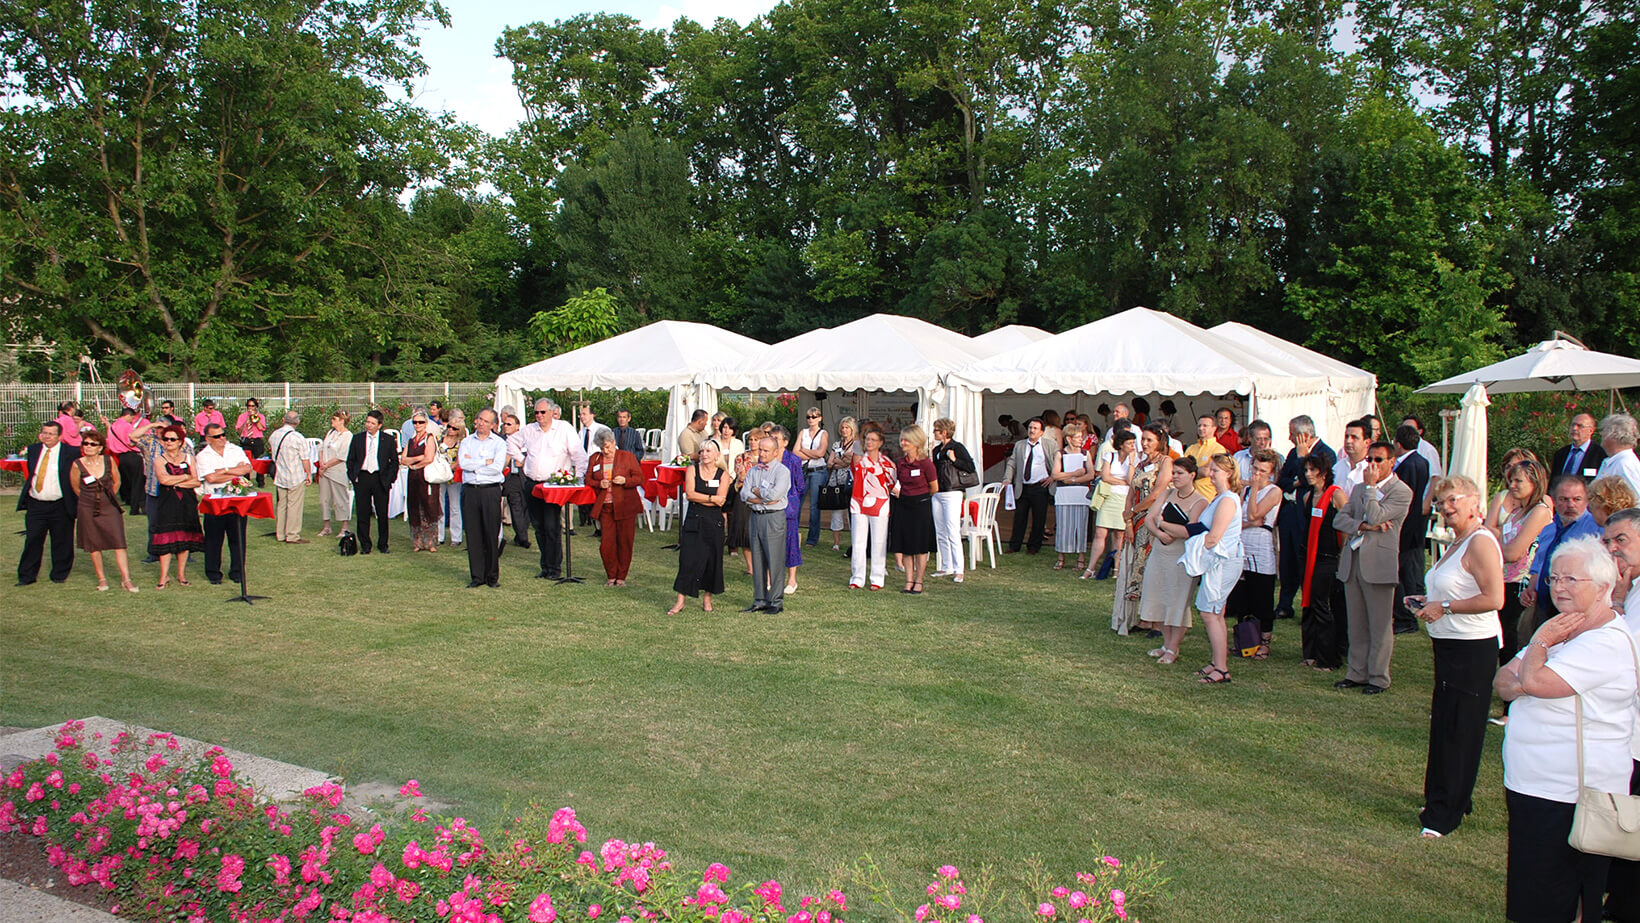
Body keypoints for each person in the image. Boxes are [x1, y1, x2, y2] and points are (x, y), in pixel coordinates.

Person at [1494, 537, 1637, 922]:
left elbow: (1534, 683)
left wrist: (1537, 651)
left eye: (1572, 579)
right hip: (1537, 787)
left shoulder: (1602, 641)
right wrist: (1532, 672)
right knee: (1533, 892)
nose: (1558, 587)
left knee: (1554, 898)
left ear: (1604, 587)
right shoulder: (1564, 630)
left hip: (1570, 795)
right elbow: (1503, 682)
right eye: (1555, 577)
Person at [1409, 475, 1505, 838]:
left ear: (1473, 502)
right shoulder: (1458, 541)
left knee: (1460, 728)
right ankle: (1446, 797)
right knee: (1446, 725)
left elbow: (1495, 599)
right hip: (1449, 644)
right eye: (1441, 502)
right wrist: (1427, 604)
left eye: (1452, 501)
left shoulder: (1480, 542)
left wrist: (1445, 607)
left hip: (1472, 648)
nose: (1446, 509)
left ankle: (1444, 813)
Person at [1333, 441, 1413, 694]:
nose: (1373, 465)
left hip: (1378, 564)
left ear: (1391, 462)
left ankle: (1378, 677)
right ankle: (1356, 672)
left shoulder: (1400, 491)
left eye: (1379, 460)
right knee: (1356, 622)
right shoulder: (1357, 489)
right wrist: (1364, 526)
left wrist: (1370, 489)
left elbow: (1378, 515)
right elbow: (1340, 519)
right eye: (1370, 460)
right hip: (1354, 560)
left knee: (1379, 624)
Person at [1488, 460, 1553, 677]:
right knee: (1503, 639)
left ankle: (1511, 698)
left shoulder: (1540, 511)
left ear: (1535, 482)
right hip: (1504, 579)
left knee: (1513, 639)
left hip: (1520, 584)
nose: (1512, 485)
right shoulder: (1519, 511)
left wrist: (1497, 540)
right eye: (1511, 480)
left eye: (1519, 481)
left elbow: (1513, 553)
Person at [509, 398, 587, 579]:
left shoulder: (564, 428)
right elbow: (511, 441)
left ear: (552, 412)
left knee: (552, 526)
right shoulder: (529, 430)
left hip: (553, 485)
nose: (539, 416)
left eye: (542, 412)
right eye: (536, 412)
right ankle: (545, 566)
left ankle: (555, 568)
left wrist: (579, 476)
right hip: (532, 482)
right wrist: (519, 458)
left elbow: (578, 453)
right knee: (538, 526)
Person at [1142, 456, 1207, 664]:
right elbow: (1149, 519)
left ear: (1192, 475)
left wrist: (1164, 525)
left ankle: (1173, 647)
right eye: (1174, 473)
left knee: (1177, 601)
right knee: (1158, 597)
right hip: (1160, 552)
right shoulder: (1167, 493)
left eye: (1180, 473)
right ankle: (1166, 643)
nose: (1175, 477)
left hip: (1181, 557)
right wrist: (1160, 533)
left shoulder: (1200, 501)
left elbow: (1189, 530)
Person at [1187, 455, 1245, 684]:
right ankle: (1216, 662)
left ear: (1228, 473)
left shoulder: (1228, 500)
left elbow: (1214, 537)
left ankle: (1221, 668)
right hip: (1216, 561)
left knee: (1210, 612)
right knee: (1214, 612)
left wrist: (1194, 545)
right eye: (1210, 470)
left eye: (1216, 471)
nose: (1211, 474)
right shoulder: (1219, 498)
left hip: (1224, 561)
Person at [1114, 423, 1175, 636]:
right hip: (1137, 519)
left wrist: (1132, 512)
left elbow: (1157, 493)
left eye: (1149, 440)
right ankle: (1142, 618)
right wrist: (1128, 520)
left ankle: (1157, 621)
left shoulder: (1166, 462)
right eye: (1144, 439)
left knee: (1152, 569)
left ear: (1160, 441)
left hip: (1154, 520)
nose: (1145, 443)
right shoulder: (1141, 463)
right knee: (1136, 567)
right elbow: (1131, 491)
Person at [1522, 475, 1602, 633]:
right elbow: (1539, 563)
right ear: (1554, 501)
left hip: (1574, 608)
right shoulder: (1548, 529)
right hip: (1544, 605)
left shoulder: (1595, 529)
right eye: (1564, 499)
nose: (1570, 505)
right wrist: (1531, 587)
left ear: (1586, 500)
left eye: (1577, 499)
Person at [1276, 415, 1337, 620]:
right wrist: (1294, 482)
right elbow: (1282, 479)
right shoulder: (1293, 452)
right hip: (1289, 512)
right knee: (1287, 559)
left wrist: (1303, 462)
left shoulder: (1326, 453)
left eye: (1293, 434)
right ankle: (1285, 603)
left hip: (1308, 513)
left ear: (1303, 435)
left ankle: (1308, 605)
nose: (1289, 438)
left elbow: (1314, 481)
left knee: (1305, 558)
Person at [1226, 449, 1283, 659]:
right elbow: (1238, 519)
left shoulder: (1274, 491)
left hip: (1261, 546)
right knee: (1243, 596)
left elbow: (1254, 513)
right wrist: (1249, 522)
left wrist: (1256, 491)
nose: (1257, 474)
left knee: (1262, 597)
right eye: (1255, 469)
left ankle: (1265, 643)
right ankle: (1244, 639)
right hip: (1243, 544)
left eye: (1263, 471)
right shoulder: (1245, 490)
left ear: (1271, 472)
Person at [68, 430, 137, 593]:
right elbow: (75, 487)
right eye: (85, 443)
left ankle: (126, 579)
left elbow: (117, 480)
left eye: (92, 444)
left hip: (109, 505)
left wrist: (109, 496)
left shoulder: (109, 460)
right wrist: (89, 499)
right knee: (94, 543)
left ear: (100, 447)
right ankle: (102, 579)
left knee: (119, 542)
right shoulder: (77, 464)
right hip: (87, 506)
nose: (88, 447)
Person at [1298, 454, 1349, 671]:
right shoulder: (1308, 497)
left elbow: (1346, 527)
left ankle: (1330, 657)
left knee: (1323, 605)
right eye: (1306, 470)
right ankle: (1310, 652)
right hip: (1309, 555)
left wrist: (1343, 557)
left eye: (1313, 470)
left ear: (1323, 472)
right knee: (1308, 603)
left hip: (1328, 557)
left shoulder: (1336, 495)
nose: (1308, 474)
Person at [669, 440, 731, 613]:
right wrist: (711, 499)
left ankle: (707, 599)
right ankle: (680, 600)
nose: (704, 454)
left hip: (714, 523)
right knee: (687, 560)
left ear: (717, 455)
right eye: (702, 451)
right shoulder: (692, 470)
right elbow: (690, 494)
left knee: (712, 561)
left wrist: (704, 498)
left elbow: (722, 500)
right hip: (694, 521)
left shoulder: (723, 475)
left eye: (709, 451)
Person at [195, 423, 253, 585]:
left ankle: (237, 571)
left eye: (223, 434)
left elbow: (247, 469)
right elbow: (211, 478)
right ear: (208, 439)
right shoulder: (203, 456)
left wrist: (223, 471)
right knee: (214, 539)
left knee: (238, 538)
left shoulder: (235, 449)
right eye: (217, 436)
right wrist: (233, 471)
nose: (222, 439)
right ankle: (213, 572)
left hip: (237, 499)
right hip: (215, 501)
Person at [458, 409, 508, 589]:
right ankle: (477, 576)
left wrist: (476, 465)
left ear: (493, 424)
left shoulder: (499, 443)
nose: (481, 423)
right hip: (471, 491)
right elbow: (463, 464)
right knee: (473, 534)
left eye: (485, 421)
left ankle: (492, 576)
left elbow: (496, 468)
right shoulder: (466, 441)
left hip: (490, 491)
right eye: (479, 419)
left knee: (490, 533)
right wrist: (484, 462)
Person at [1392, 423, 1433, 635]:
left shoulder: (1406, 467)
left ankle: (1405, 617)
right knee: (1410, 573)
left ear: (1398, 444)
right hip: (1416, 524)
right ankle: (1407, 615)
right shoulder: (1423, 462)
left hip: (1407, 526)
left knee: (1403, 574)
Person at [741, 436, 790, 613]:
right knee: (757, 558)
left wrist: (757, 492)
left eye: (766, 450)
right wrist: (762, 496)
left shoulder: (782, 471)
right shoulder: (753, 471)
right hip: (755, 516)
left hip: (773, 517)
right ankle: (759, 599)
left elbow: (775, 495)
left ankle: (775, 601)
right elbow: (743, 494)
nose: (761, 453)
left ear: (776, 452)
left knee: (774, 560)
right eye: (760, 449)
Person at [586, 431, 642, 586]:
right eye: (602, 448)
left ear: (613, 442)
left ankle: (621, 577)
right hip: (605, 507)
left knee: (625, 541)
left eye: (608, 447)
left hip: (625, 505)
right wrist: (599, 484)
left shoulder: (627, 456)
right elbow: (588, 479)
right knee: (607, 543)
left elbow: (639, 478)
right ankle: (611, 574)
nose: (606, 451)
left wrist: (625, 480)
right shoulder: (595, 459)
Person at [890, 424, 939, 594]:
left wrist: (921, 496)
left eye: (907, 440)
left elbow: (934, 487)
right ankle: (909, 580)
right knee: (906, 545)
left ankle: (919, 580)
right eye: (902, 439)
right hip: (903, 504)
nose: (903, 443)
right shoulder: (900, 463)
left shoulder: (926, 464)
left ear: (916, 442)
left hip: (921, 506)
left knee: (919, 545)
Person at [847, 427, 896, 590]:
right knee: (858, 541)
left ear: (880, 443)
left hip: (879, 503)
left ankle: (877, 578)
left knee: (878, 541)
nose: (869, 442)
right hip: (858, 502)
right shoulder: (859, 460)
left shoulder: (886, 463)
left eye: (873, 440)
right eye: (867, 439)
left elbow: (891, 482)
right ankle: (857, 577)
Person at [1084, 426, 1136, 579]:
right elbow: (1105, 476)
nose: (1133, 446)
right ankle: (1091, 567)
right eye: (1130, 443)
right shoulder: (1109, 455)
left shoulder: (1134, 459)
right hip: (1108, 496)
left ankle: (1116, 568)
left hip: (1124, 499)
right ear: (1121, 444)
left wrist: (1131, 463)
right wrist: (1122, 482)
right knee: (1100, 532)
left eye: (1134, 443)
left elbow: (1131, 481)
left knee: (1119, 534)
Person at [346, 409, 400, 554]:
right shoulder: (357, 438)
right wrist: (354, 477)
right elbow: (350, 460)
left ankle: (383, 544)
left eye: (372, 423)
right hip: (362, 477)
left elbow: (394, 462)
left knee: (382, 514)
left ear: (379, 425)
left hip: (379, 478)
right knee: (363, 513)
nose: (368, 425)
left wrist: (389, 480)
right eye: (367, 422)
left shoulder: (387, 440)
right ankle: (365, 545)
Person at [1002, 417, 1057, 555]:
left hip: (1040, 486)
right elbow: (1012, 462)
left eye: (1035, 428)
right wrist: (1007, 479)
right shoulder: (1020, 445)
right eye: (1030, 428)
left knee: (1039, 518)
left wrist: (1053, 477)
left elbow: (1057, 462)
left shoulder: (1050, 445)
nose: (1032, 431)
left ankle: (1034, 546)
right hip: (1023, 486)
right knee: (1020, 517)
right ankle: (1014, 545)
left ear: (1042, 432)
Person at [929, 418, 976, 582]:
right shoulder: (936, 449)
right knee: (940, 531)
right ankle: (946, 565)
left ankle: (959, 568)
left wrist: (955, 459)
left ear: (944, 432)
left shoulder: (957, 447)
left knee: (952, 530)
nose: (934, 432)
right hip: (938, 493)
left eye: (936, 430)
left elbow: (970, 466)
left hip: (952, 491)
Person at [1052, 423, 1093, 572]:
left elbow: (1090, 474)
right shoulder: (1060, 454)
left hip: (1081, 494)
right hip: (1064, 494)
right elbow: (1056, 474)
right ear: (1069, 439)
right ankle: (1061, 557)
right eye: (1078, 437)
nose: (1080, 440)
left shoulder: (1085, 453)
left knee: (1080, 526)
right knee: (1063, 525)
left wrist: (1075, 480)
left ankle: (1081, 558)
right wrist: (1073, 474)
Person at [399, 411, 441, 553]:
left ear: (426, 423)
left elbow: (429, 457)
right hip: (413, 478)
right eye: (415, 422)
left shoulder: (429, 438)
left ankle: (430, 542)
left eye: (420, 422)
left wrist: (415, 462)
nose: (417, 425)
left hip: (426, 478)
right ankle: (417, 541)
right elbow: (403, 458)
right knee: (414, 507)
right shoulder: (411, 440)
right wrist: (417, 458)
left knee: (429, 507)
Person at [267, 411, 309, 544]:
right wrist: (308, 473)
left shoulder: (274, 435)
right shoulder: (298, 437)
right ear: (297, 422)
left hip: (280, 474)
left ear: (283, 420)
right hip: (295, 475)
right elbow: (305, 459)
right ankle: (292, 534)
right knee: (294, 506)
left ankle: (280, 533)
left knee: (282, 505)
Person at [773, 426, 806, 594]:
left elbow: (800, 485)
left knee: (791, 542)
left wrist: (792, 502)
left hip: (788, 508)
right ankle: (770, 579)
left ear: (785, 442)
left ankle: (792, 580)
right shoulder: (766, 459)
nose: (773, 441)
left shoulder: (793, 460)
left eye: (776, 438)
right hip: (769, 508)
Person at [795, 407, 831, 547]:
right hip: (803, 470)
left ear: (820, 418)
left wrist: (803, 450)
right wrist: (812, 453)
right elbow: (795, 451)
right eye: (809, 417)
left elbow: (821, 453)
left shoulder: (824, 433)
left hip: (818, 471)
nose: (811, 419)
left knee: (814, 507)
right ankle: (793, 535)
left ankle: (812, 538)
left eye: (814, 417)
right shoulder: (803, 432)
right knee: (797, 503)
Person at [726, 420, 758, 576]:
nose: (752, 442)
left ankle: (760, 566)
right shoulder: (741, 457)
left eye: (756, 439)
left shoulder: (767, 458)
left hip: (760, 499)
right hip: (744, 497)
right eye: (750, 439)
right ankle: (750, 567)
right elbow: (742, 475)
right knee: (744, 532)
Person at [826, 417, 862, 553]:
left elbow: (850, 463)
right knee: (836, 512)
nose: (844, 430)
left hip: (850, 481)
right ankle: (836, 543)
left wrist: (839, 461)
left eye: (847, 427)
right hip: (835, 481)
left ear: (852, 429)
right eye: (842, 427)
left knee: (851, 512)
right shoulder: (836, 444)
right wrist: (842, 461)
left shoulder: (856, 444)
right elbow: (830, 463)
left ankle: (855, 542)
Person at [105, 404, 151, 512]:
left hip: (121, 457)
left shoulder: (112, 426)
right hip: (132, 455)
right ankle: (136, 507)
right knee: (137, 482)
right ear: (129, 415)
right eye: (132, 418)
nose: (132, 420)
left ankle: (130, 502)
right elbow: (132, 440)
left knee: (128, 482)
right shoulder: (127, 426)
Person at [575, 405, 614, 532]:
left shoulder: (602, 429)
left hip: (602, 469)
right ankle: (595, 525)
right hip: (587, 468)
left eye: (584, 414)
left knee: (601, 499)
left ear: (592, 415)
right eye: (580, 414)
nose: (582, 417)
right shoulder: (581, 432)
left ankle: (604, 526)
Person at [315, 411, 354, 538]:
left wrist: (326, 465)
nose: (332, 421)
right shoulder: (330, 433)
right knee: (324, 499)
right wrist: (321, 464)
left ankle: (344, 526)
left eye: (334, 418)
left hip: (337, 470)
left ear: (342, 421)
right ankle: (326, 526)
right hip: (325, 471)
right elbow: (321, 448)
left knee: (340, 498)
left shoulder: (347, 435)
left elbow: (342, 455)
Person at [498, 409, 531, 549]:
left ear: (517, 426)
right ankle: (523, 538)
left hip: (524, 476)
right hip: (510, 478)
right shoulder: (500, 441)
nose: (506, 426)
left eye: (509, 424)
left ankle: (520, 534)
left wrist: (524, 461)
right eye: (505, 424)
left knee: (526, 507)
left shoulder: (525, 439)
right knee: (516, 507)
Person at [1552, 412, 1607, 481]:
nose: (1574, 428)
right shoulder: (1560, 454)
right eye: (1573, 425)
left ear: (1591, 430)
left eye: (1580, 426)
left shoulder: (1600, 454)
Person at [1597, 413, 1640, 497]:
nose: (1601, 433)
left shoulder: (1625, 464)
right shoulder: (1612, 462)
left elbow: (1637, 499)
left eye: (1605, 430)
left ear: (1615, 435)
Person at [1182, 415, 1225, 499]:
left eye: (1205, 426)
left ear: (1214, 428)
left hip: (1207, 496)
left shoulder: (1218, 449)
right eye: (1199, 426)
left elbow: (1206, 472)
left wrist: (1189, 473)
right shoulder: (1191, 448)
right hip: (1188, 496)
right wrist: (1198, 471)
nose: (1201, 428)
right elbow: (1182, 470)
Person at [1332, 418, 1370, 500]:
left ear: (1367, 442)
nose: (1348, 441)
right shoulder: (1337, 468)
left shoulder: (1371, 468)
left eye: (1354, 437)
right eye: (1346, 436)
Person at [236, 398, 268, 486]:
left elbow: (261, 428)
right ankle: (246, 481)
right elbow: (239, 430)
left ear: (256, 407)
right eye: (249, 406)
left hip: (257, 439)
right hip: (246, 439)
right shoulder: (242, 416)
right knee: (246, 461)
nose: (251, 408)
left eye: (253, 406)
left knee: (259, 461)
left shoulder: (261, 416)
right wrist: (245, 423)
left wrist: (256, 420)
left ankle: (260, 481)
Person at [1402, 416, 1445, 480]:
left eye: (1411, 428)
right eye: (1404, 428)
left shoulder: (1428, 450)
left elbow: (1435, 476)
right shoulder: (1399, 448)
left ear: (1420, 431)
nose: (1407, 431)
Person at [1232, 420, 1272, 484]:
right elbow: (1231, 481)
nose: (1263, 443)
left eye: (1266, 439)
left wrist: (1246, 483)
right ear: (1250, 438)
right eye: (1258, 439)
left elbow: (1276, 484)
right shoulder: (1238, 457)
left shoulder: (1277, 459)